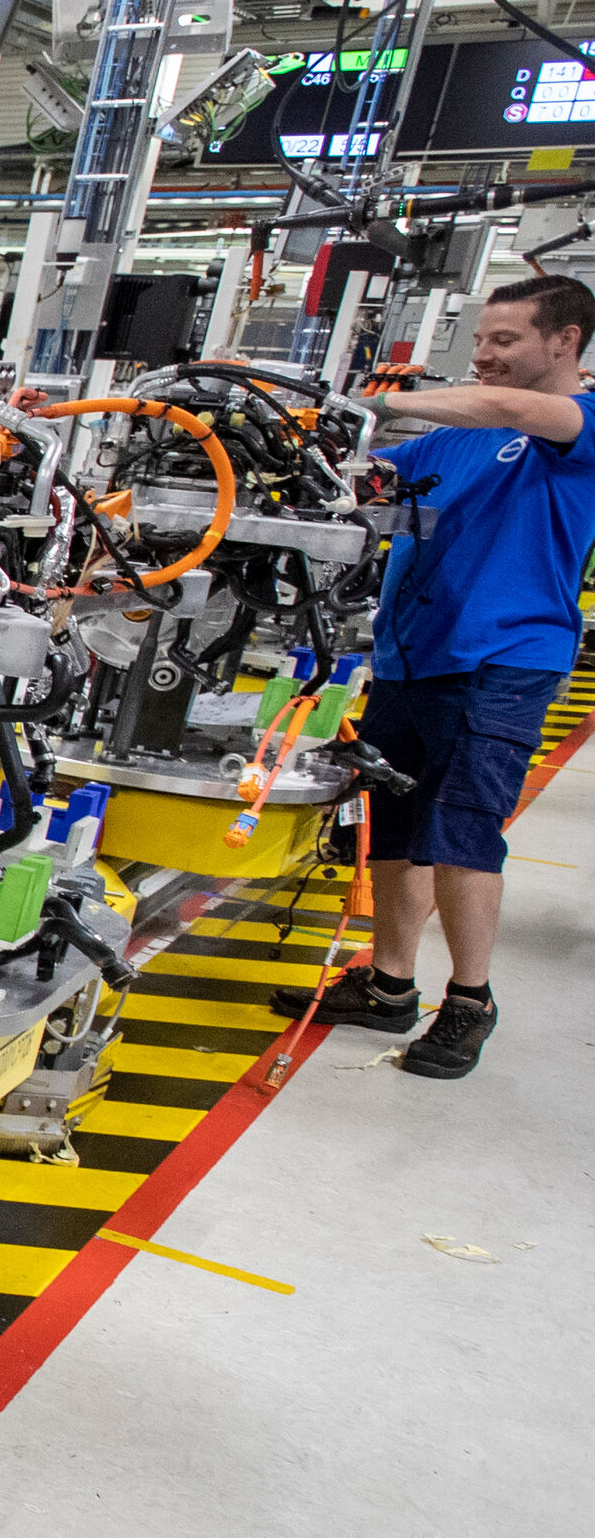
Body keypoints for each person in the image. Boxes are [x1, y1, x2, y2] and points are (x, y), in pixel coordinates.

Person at [282, 274, 595, 1077]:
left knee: (462, 830)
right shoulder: (451, 440)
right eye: (479, 339)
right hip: (412, 654)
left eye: (504, 340)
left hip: (503, 661)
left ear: (565, 341)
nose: (484, 355)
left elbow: (504, 407)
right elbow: (364, 480)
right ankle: (390, 984)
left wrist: (367, 401)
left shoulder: (577, 422)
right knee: (394, 825)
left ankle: (470, 1000)